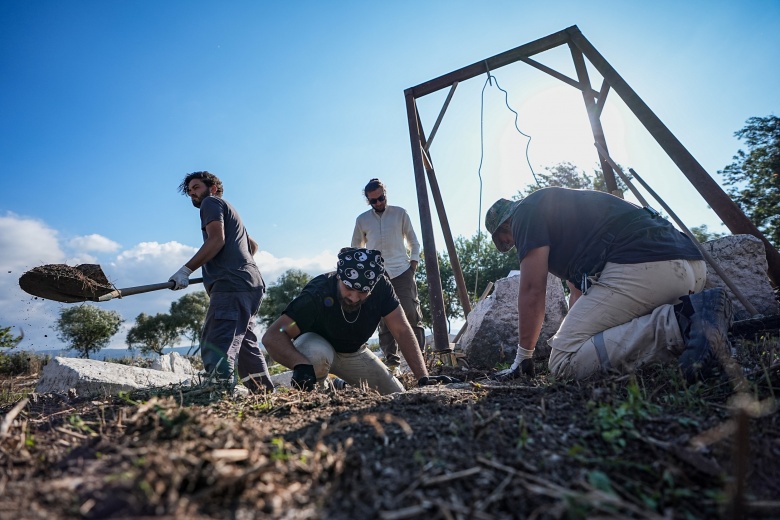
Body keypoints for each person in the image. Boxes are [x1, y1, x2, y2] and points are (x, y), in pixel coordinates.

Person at [484, 187, 733, 383]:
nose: (515, 245)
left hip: (645, 267)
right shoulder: (564, 219)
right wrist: (578, 332)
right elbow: (578, 291)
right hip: (690, 267)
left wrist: (523, 357)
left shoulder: (524, 214)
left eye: (509, 241)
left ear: (505, 226)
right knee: (592, 342)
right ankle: (695, 327)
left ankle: (681, 324)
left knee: (562, 360)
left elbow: (532, 290)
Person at [261, 248, 458, 395]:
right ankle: (321, 390)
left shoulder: (381, 287)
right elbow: (272, 337)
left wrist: (423, 377)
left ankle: (337, 384)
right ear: (339, 276)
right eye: (349, 288)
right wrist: (300, 364)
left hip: (353, 352)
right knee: (315, 356)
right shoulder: (317, 293)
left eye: (363, 292)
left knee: (396, 395)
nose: (354, 297)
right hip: (317, 345)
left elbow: (402, 330)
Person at [169, 171, 274, 393]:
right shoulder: (231, 212)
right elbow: (252, 247)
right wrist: (231, 262)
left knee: (218, 341)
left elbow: (217, 239)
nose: (192, 194)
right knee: (244, 343)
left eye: (196, 187)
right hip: (250, 284)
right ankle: (263, 393)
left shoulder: (211, 203)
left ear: (213, 188)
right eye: (189, 191)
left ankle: (218, 395)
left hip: (232, 285)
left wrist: (185, 270)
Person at [351, 178, 426, 369]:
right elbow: (356, 248)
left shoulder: (400, 213)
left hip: (402, 271)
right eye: (373, 201)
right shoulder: (362, 220)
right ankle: (393, 363)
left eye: (381, 198)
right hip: (376, 275)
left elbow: (414, 242)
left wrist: (413, 267)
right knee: (384, 319)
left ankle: (421, 359)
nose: (378, 203)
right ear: (368, 201)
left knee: (410, 311)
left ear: (385, 194)